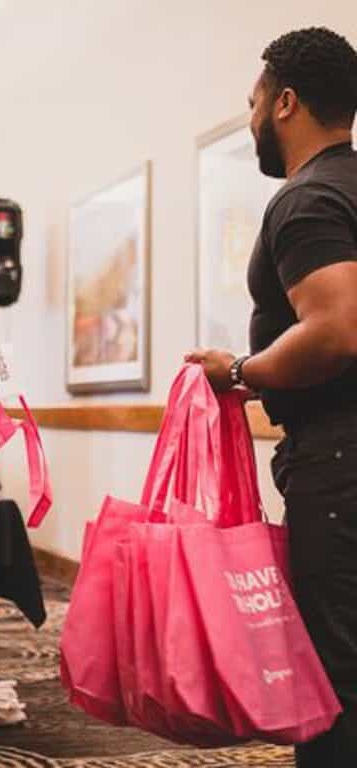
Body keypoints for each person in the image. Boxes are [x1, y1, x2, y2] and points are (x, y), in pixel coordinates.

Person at [185, 27, 357, 767]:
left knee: (333, 673)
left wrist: (241, 371)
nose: (253, 114)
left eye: (253, 100)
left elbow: (336, 329)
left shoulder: (308, 197)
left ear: (284, 102)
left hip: (339, 466)